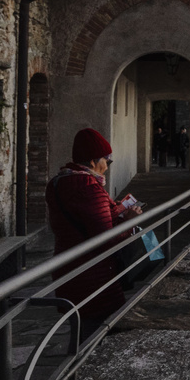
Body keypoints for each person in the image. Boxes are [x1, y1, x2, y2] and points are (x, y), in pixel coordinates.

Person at [45, 128, 142, 326]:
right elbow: (107, 238)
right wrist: (130, 220)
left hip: (67, 265)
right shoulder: (89, 187)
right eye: (107, 160)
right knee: (101, 334)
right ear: (93, 161)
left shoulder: (57, 182)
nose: (107, 166)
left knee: (79, 329)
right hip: (94, 274)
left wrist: (115, 210)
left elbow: (82, 220)